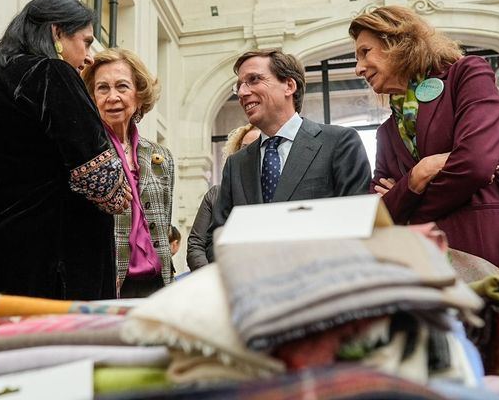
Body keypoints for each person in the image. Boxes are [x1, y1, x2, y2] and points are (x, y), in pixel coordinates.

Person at [0, 0, 131, 300]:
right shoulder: (52, 74)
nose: (89, 57)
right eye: (86, 42)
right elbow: (108, 188)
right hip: (43, 274)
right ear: (56, 32)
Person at [350, 5, 499, 270]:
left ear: (398, 42)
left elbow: (475, 165)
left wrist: (406, 202)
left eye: (365, 52)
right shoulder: (387, 132)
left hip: (489, 256)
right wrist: (418, 175)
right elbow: (380, 214)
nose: (358, 68)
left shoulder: (467, 75)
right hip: (427, 268)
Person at [210, 49, 371, 238]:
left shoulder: (340, 143)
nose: (243, 92)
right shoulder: (235, 164)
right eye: (239, 86)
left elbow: (355, 223)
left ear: (289, 85)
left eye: (254, 79)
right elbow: (216, 237)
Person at [82, 48, 174, 298]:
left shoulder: (161, 156)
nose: (112, 97)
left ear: (139, 94)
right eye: (102, 88)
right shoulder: (85, 153)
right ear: (91, 97)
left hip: (158, 284)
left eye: (122, 86)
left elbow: (164, 222)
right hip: (106, 284)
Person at [186, 124, 260, 271]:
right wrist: (208, 276)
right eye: (244, 147)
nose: (249, 153)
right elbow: (196, 244)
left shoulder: (271, 192)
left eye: (255, 147)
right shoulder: (215, 194)